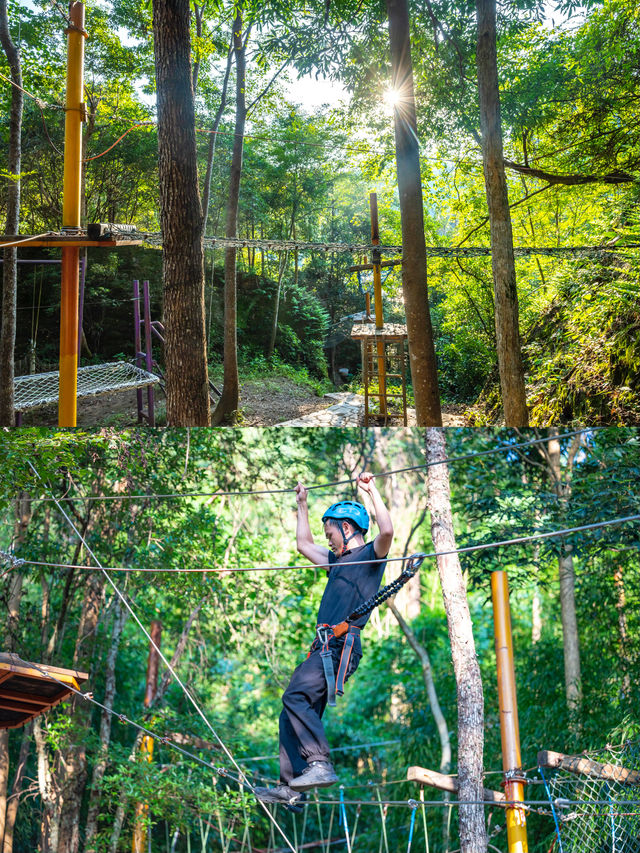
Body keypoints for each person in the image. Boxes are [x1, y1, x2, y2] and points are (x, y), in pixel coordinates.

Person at [254, 472, 394, 811]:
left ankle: (319, 763)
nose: (328, 540)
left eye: (331, 532)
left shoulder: (369, 557)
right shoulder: (337, 562)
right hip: (323, 648)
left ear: (347, 529)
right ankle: (291, 788)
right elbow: (303, 545)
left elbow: (387, 530)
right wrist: (302, 504)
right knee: (290, 714)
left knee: (296, 695)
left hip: (340, 646)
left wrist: (371, 490)